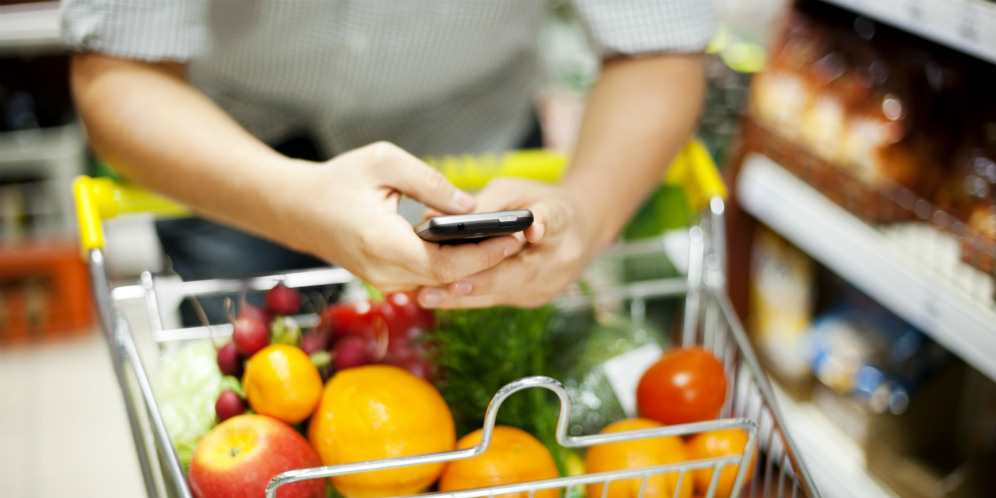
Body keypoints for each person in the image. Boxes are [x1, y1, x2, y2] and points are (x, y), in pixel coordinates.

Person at [62, 1, 716, 310]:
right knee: (256, 411)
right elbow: (119, 68)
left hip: (477, 135)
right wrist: (293, 201)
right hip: (227, 146)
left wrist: (589, 210)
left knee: (485, 419)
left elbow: (657, 46)